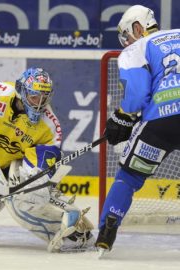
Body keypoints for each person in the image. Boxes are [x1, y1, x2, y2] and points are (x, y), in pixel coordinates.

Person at [0, 67, 95, 252]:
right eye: (35, 96)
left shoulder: (49, 128)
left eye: (44, 97)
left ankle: (77, 234)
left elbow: (37, 172)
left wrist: (31, 185)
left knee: (26, 201)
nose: (39, 103)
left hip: (18, 165)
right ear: (21, 91)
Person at [95, 4, 180, 253]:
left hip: (160, 122)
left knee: (130, 176)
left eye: (125, 35)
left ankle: (107, 228)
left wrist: (122, 117)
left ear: (137, 27)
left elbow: (137, 92)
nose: (125, 42)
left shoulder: (137, 47)